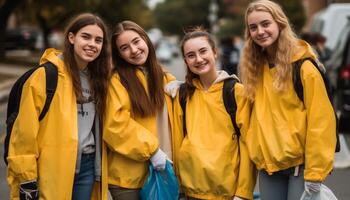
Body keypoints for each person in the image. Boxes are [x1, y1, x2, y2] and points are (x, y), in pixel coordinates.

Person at [6, 13, 111, 200]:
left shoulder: (100, 79)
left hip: (87, 166)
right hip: (51, 167)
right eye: (86, 37)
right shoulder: (45, 76)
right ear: (71, 38)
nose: (92, 44)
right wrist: (26, 178)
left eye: (98, 40)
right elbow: (24, 134)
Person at [239, 1, 337, 200]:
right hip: (268, 169)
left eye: (266, 24)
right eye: (253, 27)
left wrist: (315, 173)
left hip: (300, 169)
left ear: (279, 24)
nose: (260, 31)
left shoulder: (304, 67)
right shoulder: (253, 70)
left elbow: (322, 122)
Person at [170, 27, 256, 200]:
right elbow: (178, 141)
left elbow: (248, 144)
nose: (198, 59)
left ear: (215, 53)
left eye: (203, 51)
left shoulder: (236, 92)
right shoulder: (183, 95)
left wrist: (243, 192)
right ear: (186, 61)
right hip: (190, 191)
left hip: (227, 193)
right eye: (191, 55)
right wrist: (178, 187)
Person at [103, 20, 177, 200]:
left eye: (136, 41)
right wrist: (152, 150)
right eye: (124, 48)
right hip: (128, 179)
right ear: (119, 54)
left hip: (164, 173)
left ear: (146, 39)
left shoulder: (166, 78)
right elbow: (114, 125)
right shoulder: (116, 81)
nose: (134, 50)